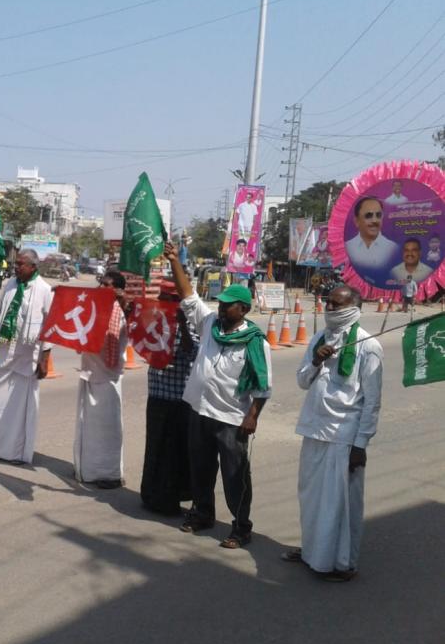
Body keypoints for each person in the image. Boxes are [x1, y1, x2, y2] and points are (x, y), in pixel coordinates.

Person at [163, 241, 272, 549]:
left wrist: (252, 416)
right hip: (199, 410)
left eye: (228, 305)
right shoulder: (210, 323)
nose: (222, 308)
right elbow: (189, 296)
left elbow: (263, 386)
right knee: (200, 468)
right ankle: (202, 513)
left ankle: (241, 527)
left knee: (235, 475)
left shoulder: (255, 341)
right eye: (221, 304)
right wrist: (174, 261)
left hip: (231, 418)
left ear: (244, 309)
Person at [282, 285, 382, 582]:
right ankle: (313, 551)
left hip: (344, 434)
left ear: (353, 308)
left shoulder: (367, 345)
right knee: (311, 496)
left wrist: (360, 444)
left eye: (336, 304)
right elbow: (302, 382)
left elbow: (372, 401)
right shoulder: (319, 337)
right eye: (328, 303)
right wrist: (316, 360)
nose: (329, 309)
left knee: (340, 503)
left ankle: (341, 563)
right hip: (314, 427)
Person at [0, 249, 53, 464]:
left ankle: (16, 452)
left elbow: (50, 326)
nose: (16, 267)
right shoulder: (11, 285)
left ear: (33, 267)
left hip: (27, 358)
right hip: (4, 353)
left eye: (21, 264)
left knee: (20, 409)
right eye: (16, 264)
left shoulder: (45, 290)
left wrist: (44, 359)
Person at [141, 284, 200, 515]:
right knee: (155, 447)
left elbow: (192, 351)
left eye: (170, 298)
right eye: (162, 297)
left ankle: (172, 498)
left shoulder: (193, 322)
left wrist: (182, 324)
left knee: (175, 451)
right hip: (157, 393)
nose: (165, 302)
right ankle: (151, 494)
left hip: (179, 397)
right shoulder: (154, 319)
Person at [72, 271, 130, 488]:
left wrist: (122, 303)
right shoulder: (95, 309)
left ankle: (111, 474)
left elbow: (109, 347)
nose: (101, 288)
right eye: (101, 284)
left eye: (107, 285)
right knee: (87, 426)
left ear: (116, 290)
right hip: (89, 374)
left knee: (108, 430)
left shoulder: (117, 315)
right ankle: (88, 470)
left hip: (108, 380)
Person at [345, 197, 400, 280]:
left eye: (378, 215)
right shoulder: (347, 248)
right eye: (368, 216)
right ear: (356, 221)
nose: (375, 220)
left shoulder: (393, 248)